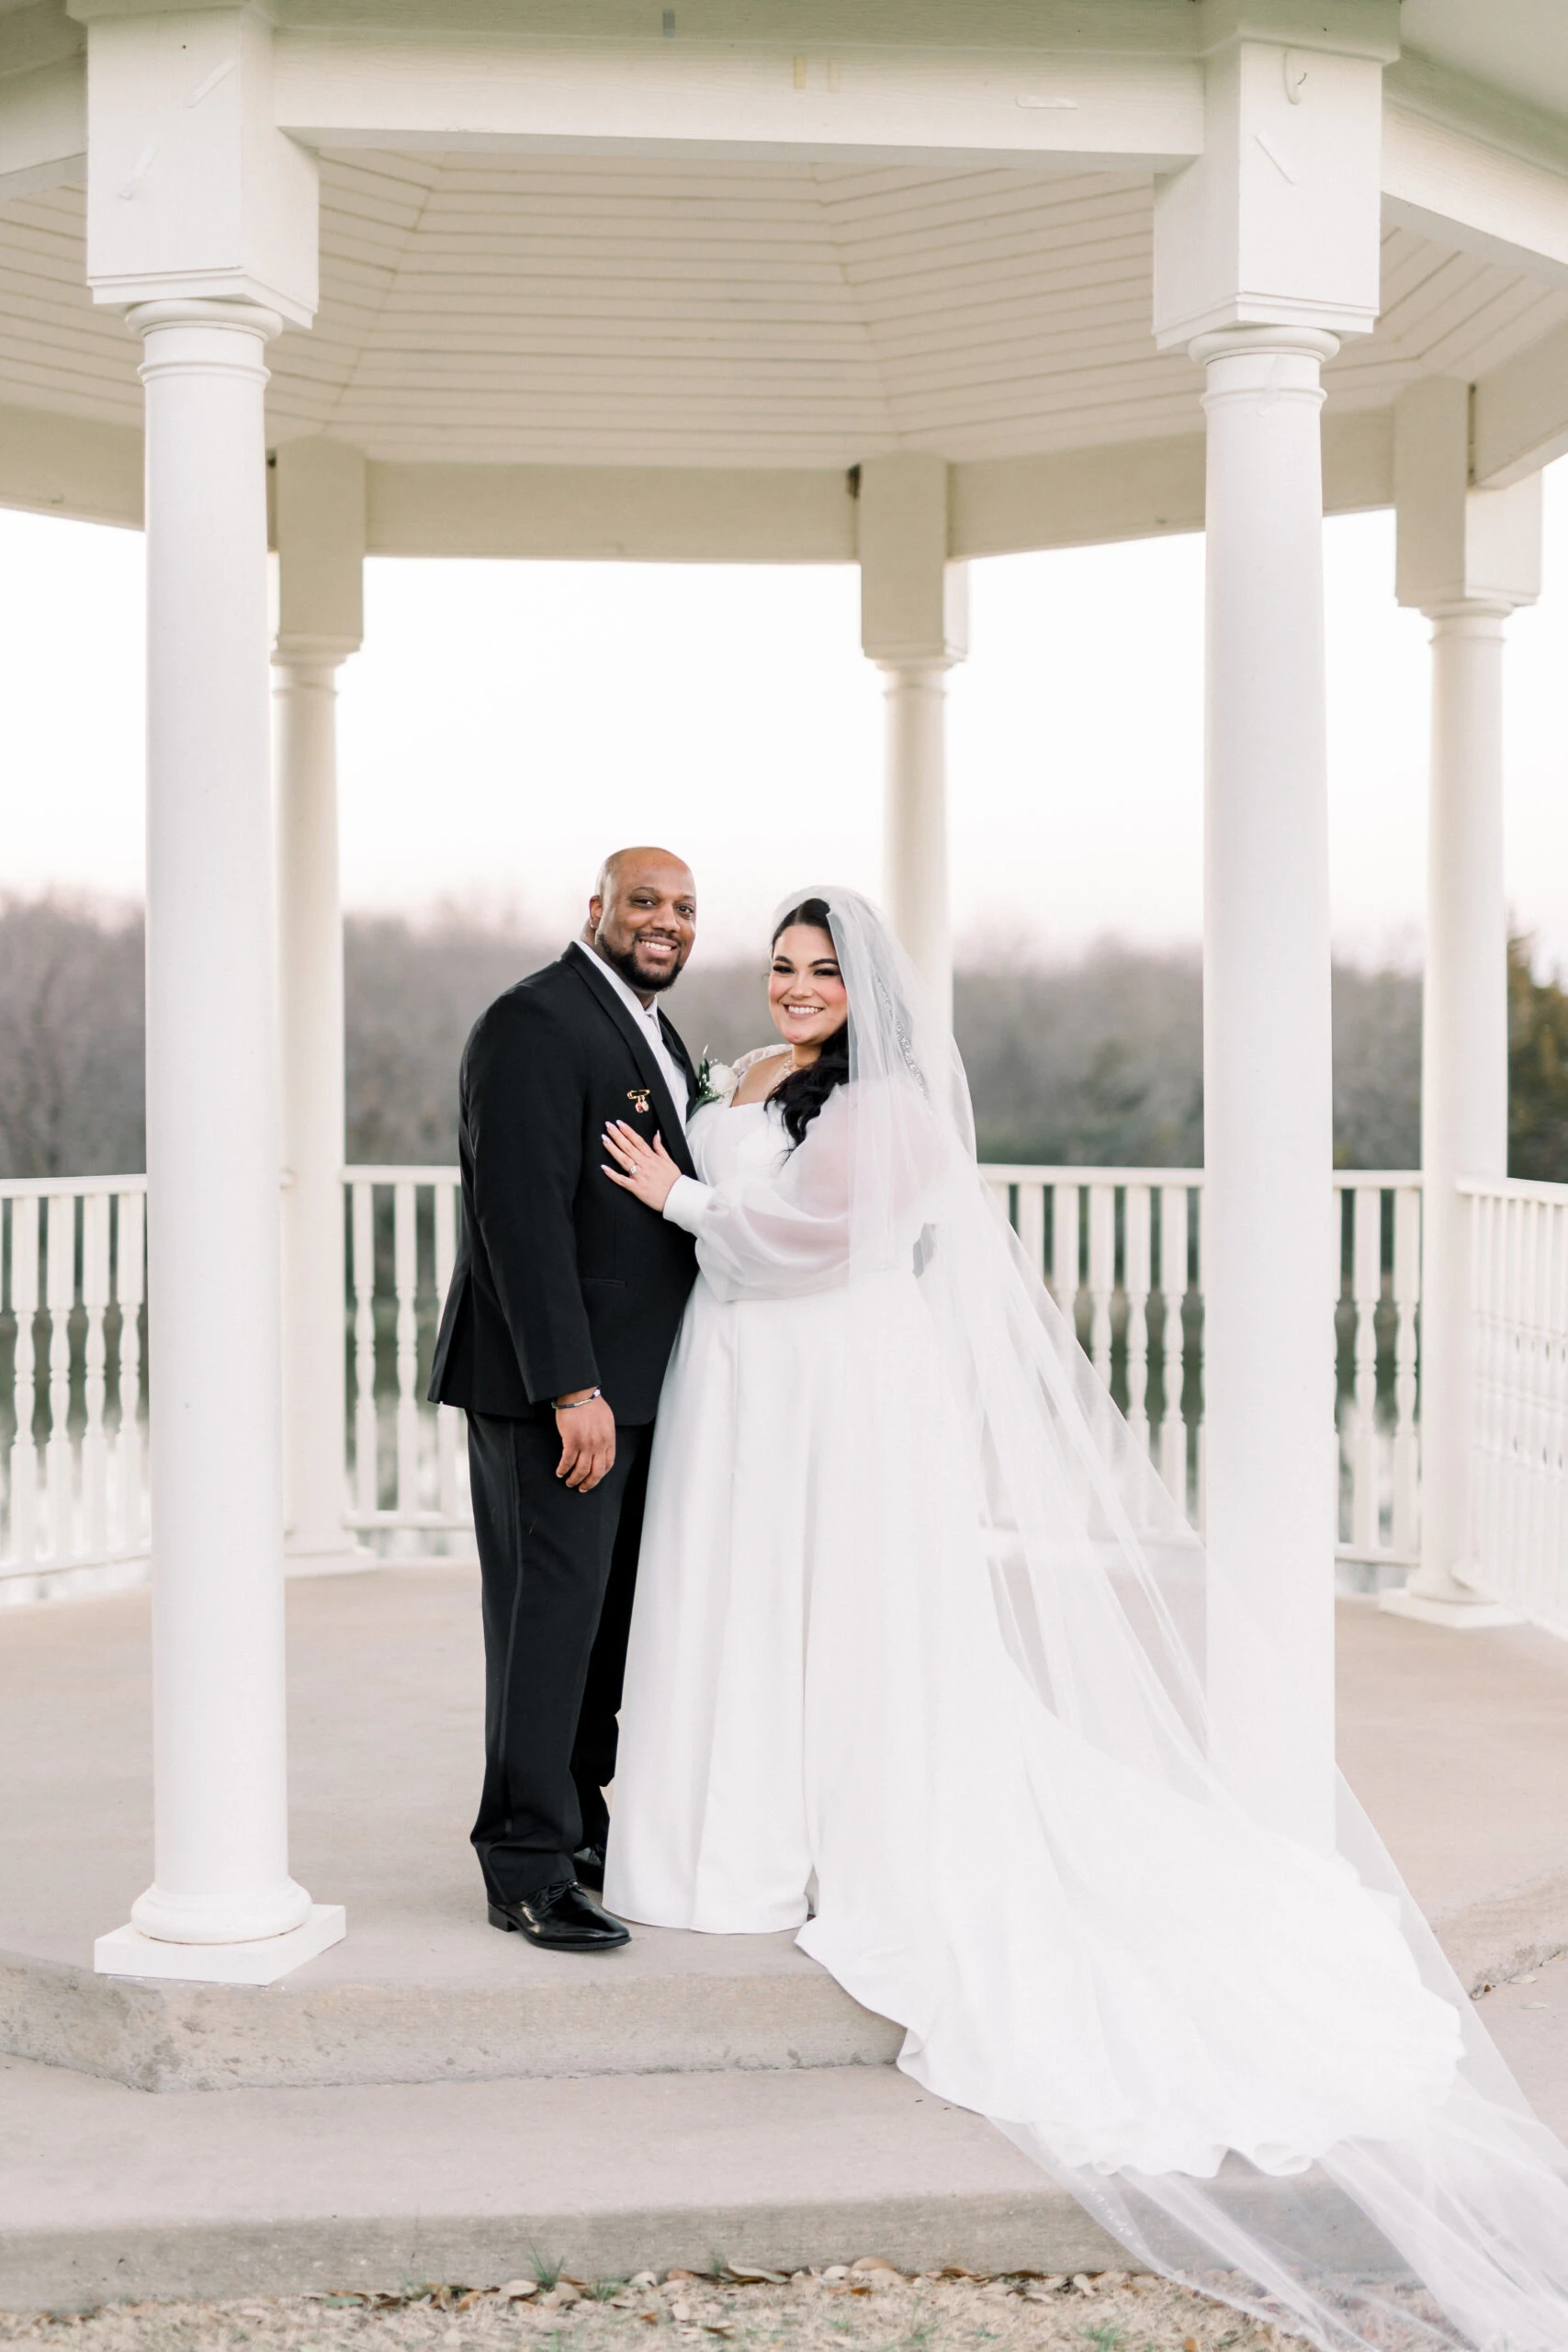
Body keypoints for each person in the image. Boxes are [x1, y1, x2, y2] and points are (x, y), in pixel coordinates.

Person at [597, 887, 1568, 2352]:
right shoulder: (745, 1076)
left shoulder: (890, 1108)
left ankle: (833, 1818)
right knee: (742, 1606)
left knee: (851, 1618)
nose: (795, 989)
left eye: (820, 972)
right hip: (744, 1386)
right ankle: (740, 1817)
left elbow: (801, 1243)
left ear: (866, 991)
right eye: (782, 968)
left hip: (832, 1384)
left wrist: (674, 1198)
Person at [427, 846, 700, 1952]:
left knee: (601, 1627)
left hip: (632, 1386)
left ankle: (579, 1827)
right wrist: (571, 1386)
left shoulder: (649, 1026)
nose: (666, 922)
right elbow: (521, 1218)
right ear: (596, 908)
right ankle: (526, 1866)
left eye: (684, 908)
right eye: (645, 902)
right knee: (546, 1624)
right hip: (561, 1393)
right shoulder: (536, 1020)